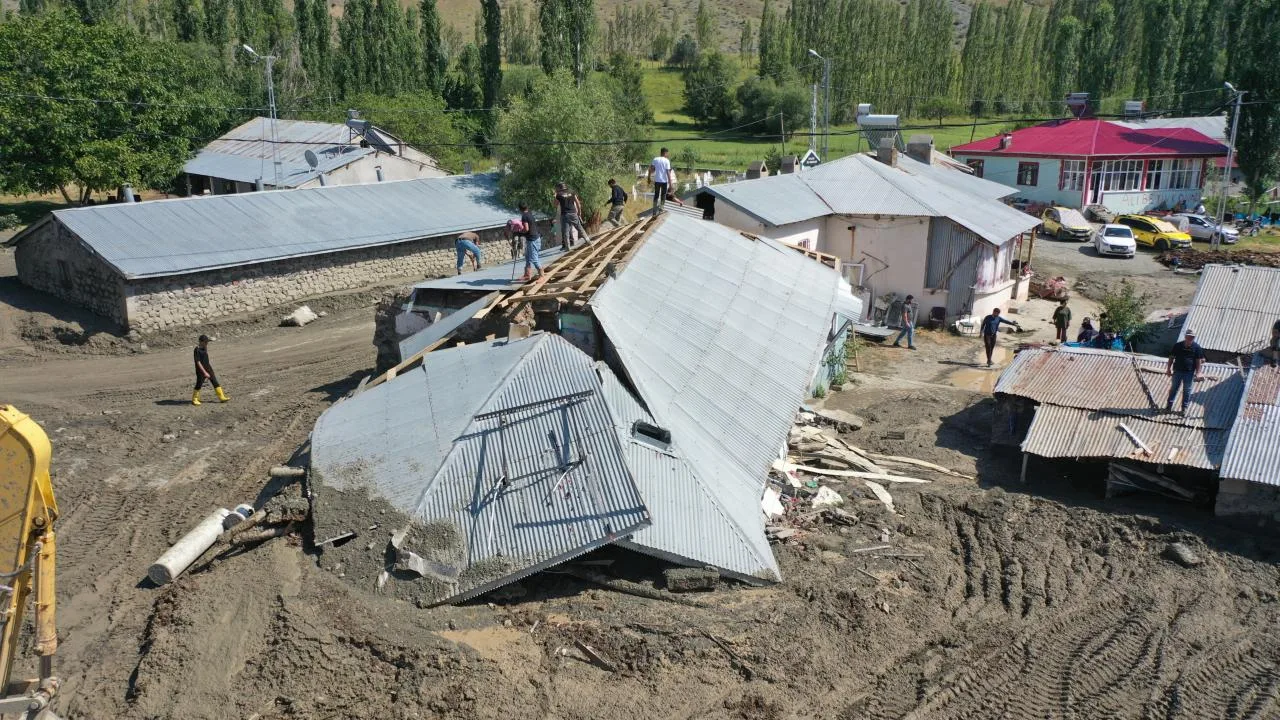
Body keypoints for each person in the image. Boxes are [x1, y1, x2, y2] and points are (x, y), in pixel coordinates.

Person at [1165, 329, 1204, 414]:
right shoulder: (1177, 346)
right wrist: (1168, 369)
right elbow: (1171, 357)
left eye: (1192, 337)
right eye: (1189, 336)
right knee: (1173, 389)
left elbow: (1198, 361)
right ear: (1185, 336)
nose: (1190, 338)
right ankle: (1168, 406)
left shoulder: (1197, 347)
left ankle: (1184, 408)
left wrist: (1198, 372)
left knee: (1187, 390)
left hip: (1189, 373)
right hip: (1177, 371)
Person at [192, 334, 229, 405]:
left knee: (215, 381)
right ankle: (195, 399)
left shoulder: (204, 347)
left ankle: (221, 397)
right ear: (200, 341)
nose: (207, 343)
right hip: (201, 370)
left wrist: (208, 370)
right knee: (199, 384)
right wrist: (204, 372)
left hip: (209, 368)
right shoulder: (197, 349)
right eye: (205, 342)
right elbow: (198, 362)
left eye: (207, 342)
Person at [554, 182, 590, 250]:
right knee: (579, 228)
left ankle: (568, 247)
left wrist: (555, 196)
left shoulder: (558, 195)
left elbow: (555, 205)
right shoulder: (572, 193)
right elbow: (578, 203)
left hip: (565, 215)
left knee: (566, 231)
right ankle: (588, 240)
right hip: (573, 213)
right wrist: (579, 212)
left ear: (559, 188)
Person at [517, 204, 542, 282]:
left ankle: (542, 275)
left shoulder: (524, 216)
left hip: (533, 239)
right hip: (533, 238)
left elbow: (526, 229)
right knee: (527, 257)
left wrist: (520, 232)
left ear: (520, 209)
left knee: (534, 259)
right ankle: (527, 275)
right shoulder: (530, 214)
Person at [648, 147, 672, 212]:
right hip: (664, 181)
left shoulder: (655, 159)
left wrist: (649, 178)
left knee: (656, 195)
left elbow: (651, 169)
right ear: (665, 153)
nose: (667, 155)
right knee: (663, 195)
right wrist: (670, 184)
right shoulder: (667, 161)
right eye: (667, 153)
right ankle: (661, 209)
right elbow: (668, 173)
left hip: (657, 181)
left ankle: (654, 210)